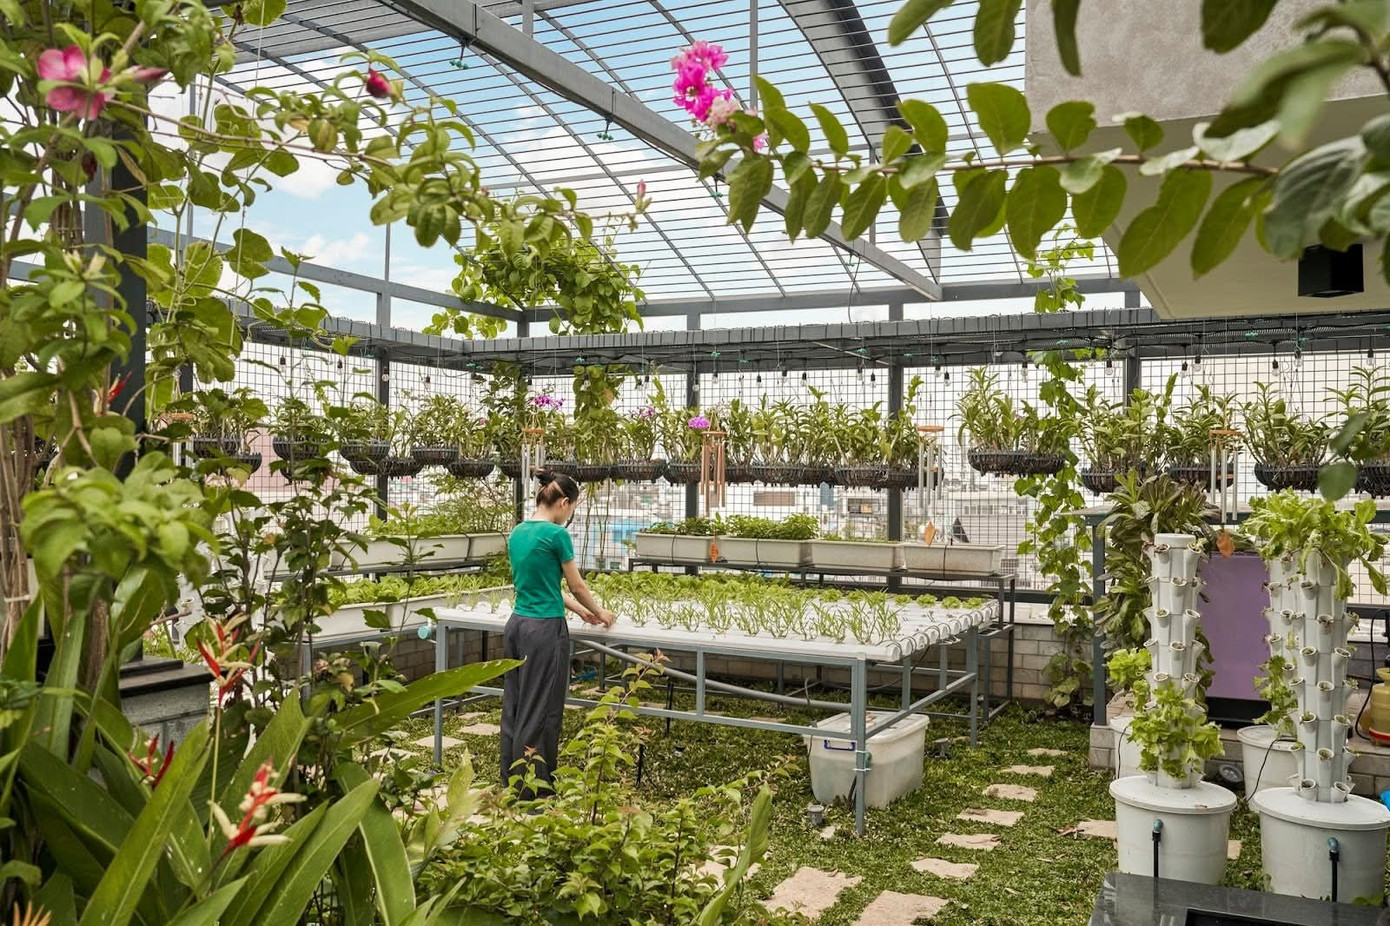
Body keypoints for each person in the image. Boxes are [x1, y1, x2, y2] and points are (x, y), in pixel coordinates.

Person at [500, 470, 615, 796]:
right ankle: (533, 791)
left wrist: (579, 611)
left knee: (515, 704)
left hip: (517, 625)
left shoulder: (518, 532)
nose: (570, 515)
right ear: (564, 502)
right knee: (541, 708)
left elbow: (542, 584)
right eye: (572, 508)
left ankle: (510, 781)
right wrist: (600, 612)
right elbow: (577, 585)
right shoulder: (556, 535)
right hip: (544, 630)